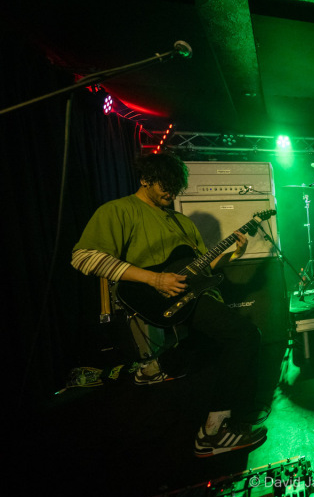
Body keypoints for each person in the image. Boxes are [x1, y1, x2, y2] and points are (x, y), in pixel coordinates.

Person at [71, 153, 267, 457]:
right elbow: (83, 257)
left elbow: (203, 267)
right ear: (145, 178)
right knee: (245, 335)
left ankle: (156, 367)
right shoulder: (118, 210)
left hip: (193, 295)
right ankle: (215, 432)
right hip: (152, 296)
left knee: (214, 344)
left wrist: (233, 254)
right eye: (166, 184)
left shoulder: (181, 222)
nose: (171, 193)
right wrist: (154, 279)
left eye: (177, 187)